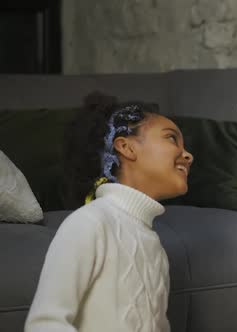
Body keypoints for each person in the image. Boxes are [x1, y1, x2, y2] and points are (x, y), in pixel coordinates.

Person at [25, 92, 193, 332]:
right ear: (126, 147)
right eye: (171, 138)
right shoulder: (90, 223)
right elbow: (45, 324)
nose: (188, 155)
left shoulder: (154, 245)